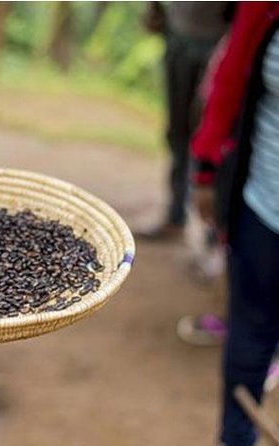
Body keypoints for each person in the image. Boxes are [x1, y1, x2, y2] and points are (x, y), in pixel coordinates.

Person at [189, 2, 279, 444]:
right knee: (250, 338)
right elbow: (230, 79)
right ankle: (234, 437)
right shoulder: (264, 7)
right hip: (263, 206)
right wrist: (206, 169)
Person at [139, 1, 229, 240]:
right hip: (178, 38)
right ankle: (175, 216)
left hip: (217, 46)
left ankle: (214, 234)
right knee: (177, 133)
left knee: (214, 138)